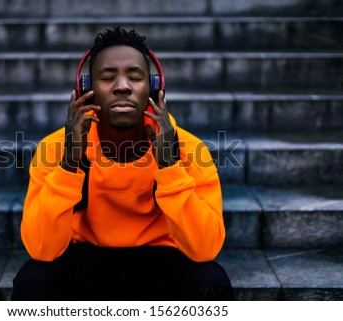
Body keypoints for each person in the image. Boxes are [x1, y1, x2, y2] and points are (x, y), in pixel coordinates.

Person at [12, 27, 233, 301]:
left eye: (135, 77)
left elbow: (205, 249)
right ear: (87, 88)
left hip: (159, 260)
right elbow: (41, 250)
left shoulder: (189, 149)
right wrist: (69, 163)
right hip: (86, 261)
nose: (122, 86)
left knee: (211, 282)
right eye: (107, 77)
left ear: (154, 87)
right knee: (33, 280)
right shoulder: (54, 148)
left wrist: (169, 165)